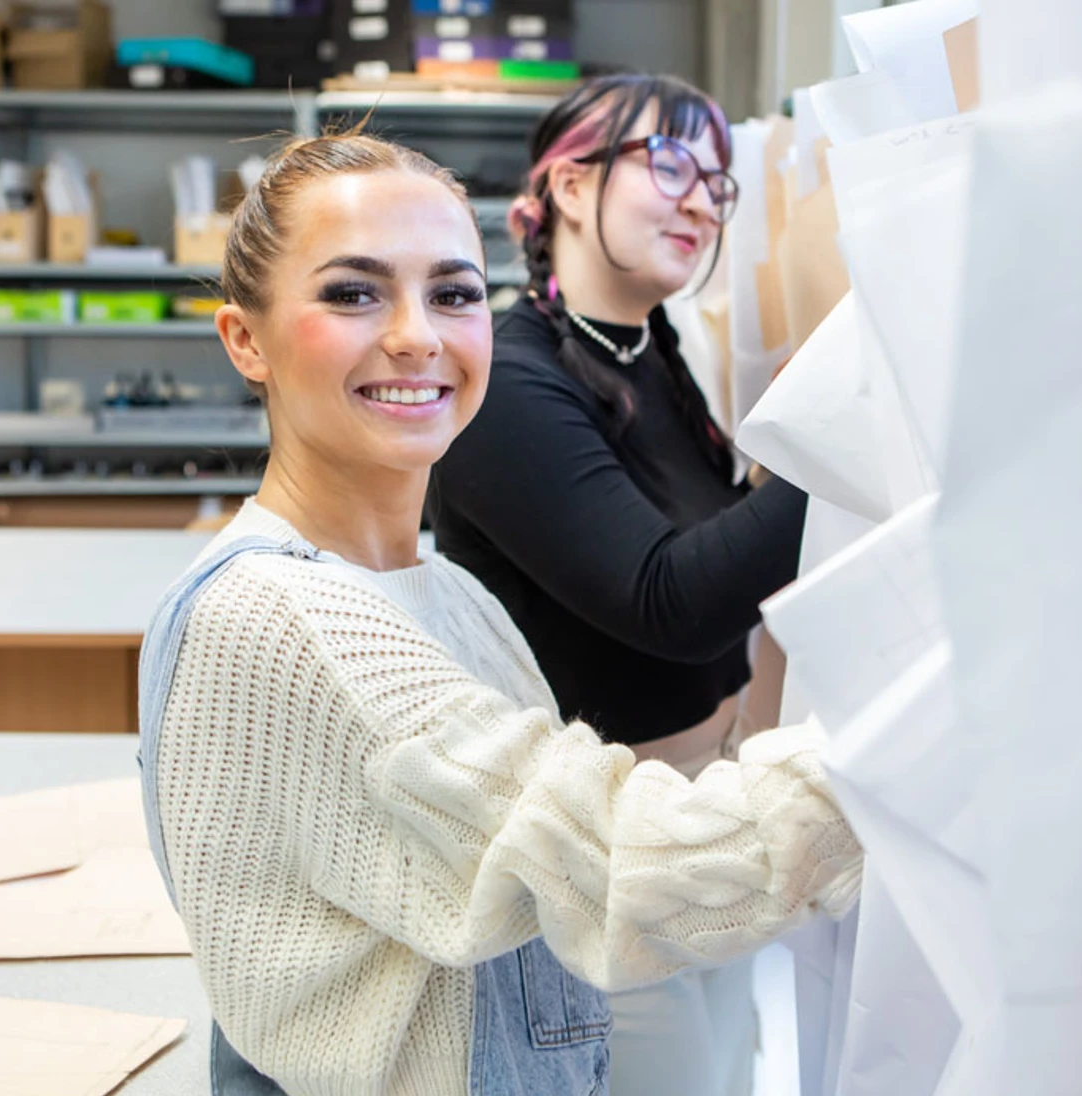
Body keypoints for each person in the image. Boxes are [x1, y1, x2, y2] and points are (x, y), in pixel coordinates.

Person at [138, 126, 860, 1096]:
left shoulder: (448, 593)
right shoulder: (285, 619)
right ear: (245, 340)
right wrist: (915, 744)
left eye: (452, 293)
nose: (415, 335)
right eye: (353, 292)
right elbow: (613, 863)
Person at [425, 73, 809, 1096]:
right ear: (565, 186)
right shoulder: (507, 381)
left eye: (717, 183)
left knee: (730, 1069)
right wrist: (845, 433)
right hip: (600, 853)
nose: (698, 199)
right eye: (669, 164)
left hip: (695, 816)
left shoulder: (653, 353)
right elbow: (667, 603)